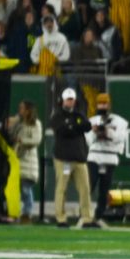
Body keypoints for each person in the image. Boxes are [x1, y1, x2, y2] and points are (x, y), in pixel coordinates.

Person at [51, 87, 94, 228]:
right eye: (68, 99)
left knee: (85, 189)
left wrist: (74, 126)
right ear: (63, 100)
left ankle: (87, 218)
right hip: (63, 158)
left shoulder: (78, 114)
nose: (71, 102)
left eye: (72, 99)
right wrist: (76, 126)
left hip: (79, 157)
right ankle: (61, 218)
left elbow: (87, 126)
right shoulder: (57, 115)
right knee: (61, 189)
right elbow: (63, 130)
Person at [86, 92, 130, 224]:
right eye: (100, 103)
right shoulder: (92, 121)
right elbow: (88, 140)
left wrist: (107, 132)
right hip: (95, 155)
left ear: (109, 104)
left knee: (104, 189)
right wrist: (95, 132)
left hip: (110, 156)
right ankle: (85, 213)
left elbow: (122, 138)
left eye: (104, 103)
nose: (102, 106)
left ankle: (99, 215)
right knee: (90, 185)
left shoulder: (120, 121)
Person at [7, 100, 42, 222]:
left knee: (26, 189)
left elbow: (36, 140)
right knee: (17, 189)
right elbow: (11, 135)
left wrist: (22, 141)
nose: (19, 110)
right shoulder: (19, 123)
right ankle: (16, 212)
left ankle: (27, 212)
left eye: (22, 108)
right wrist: (10, 125)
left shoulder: (36, 124)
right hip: (17, 160)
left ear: (28, 110)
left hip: (29, 161)